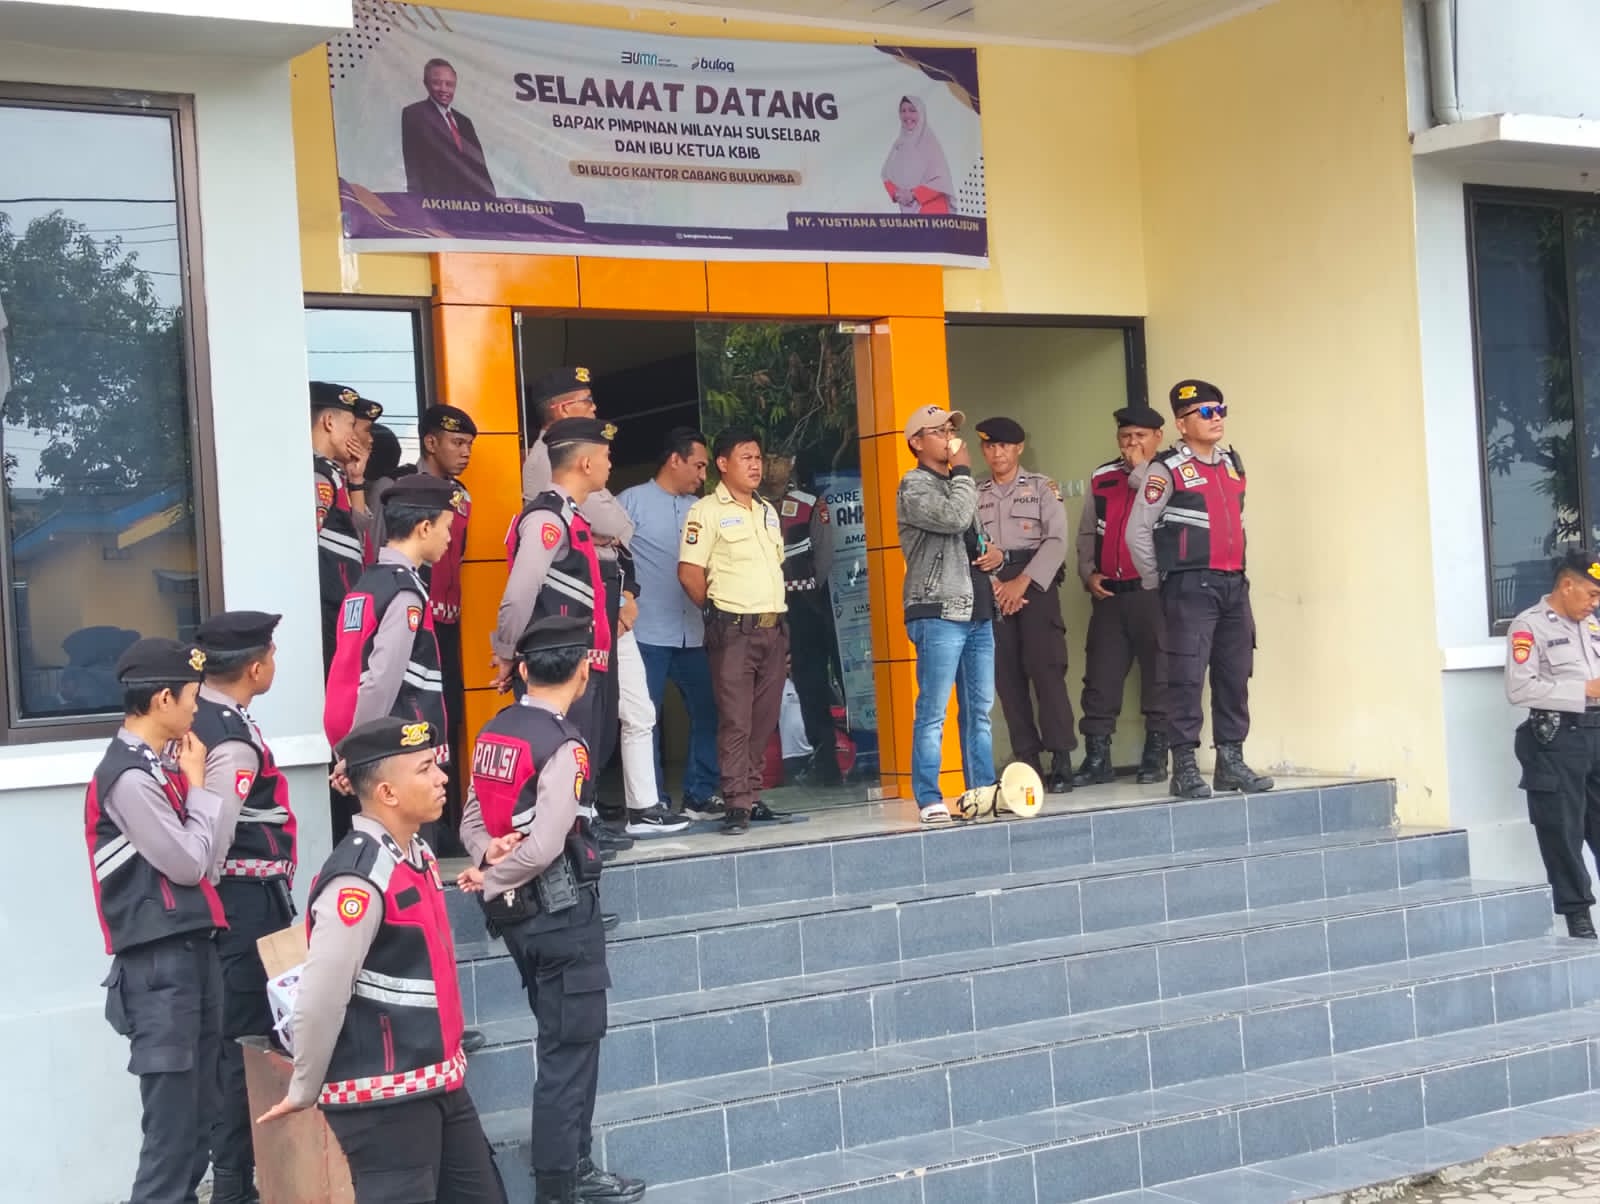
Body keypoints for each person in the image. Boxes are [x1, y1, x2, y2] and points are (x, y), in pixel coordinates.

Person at [255, 718, 506, 1203]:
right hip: (384, 1097)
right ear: (388, 792)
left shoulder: (415, 854)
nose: (442, 778)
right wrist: (304, 1086)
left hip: (436, 1080)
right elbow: (321, 995)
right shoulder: (359, 879)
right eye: (425, 769)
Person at [461, 614, 647, 1204]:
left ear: (522, 671)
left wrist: (486, 855)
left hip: (520, 919)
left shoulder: (495, 731)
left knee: (561, 1039)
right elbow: (545, 846)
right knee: (569, 1052)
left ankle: (572, 1168)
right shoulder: (565, 745)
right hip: (560, 913)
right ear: (585, 670)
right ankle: (562, 1183)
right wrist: (491, 874)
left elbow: (471, 817)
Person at [84, 637, 227, 1204]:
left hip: (190, 955)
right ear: (163, 699)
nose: (198, 708)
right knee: (171, 1140)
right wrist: (199, 785)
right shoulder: (129, 777)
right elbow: (190, 863)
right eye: (192, 696)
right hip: (160, 966)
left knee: (198, 1125)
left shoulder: (158, 768)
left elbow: (204, 860)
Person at [522, 370, 658, 845]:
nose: (595, 409)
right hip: (577, 600)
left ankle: (600, 813)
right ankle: (579, 820)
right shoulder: (546, 459)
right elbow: (606, 521)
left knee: (611, 711)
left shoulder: (578, 456)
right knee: (581, 713)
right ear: (562, 408)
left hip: (608, 589)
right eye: (586, 401)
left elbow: (617, 525)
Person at [191, 611, 296, 1204]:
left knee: (236, 1040)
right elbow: (214, 836)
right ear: (255, 668)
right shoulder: (230, 738)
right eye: (273, 655)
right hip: (241, 907)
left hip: (238, 905)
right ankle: (234, 1185)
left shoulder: (199, 715)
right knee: (244, 1044)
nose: (275, 663)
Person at [1127, 380, 1273, 799]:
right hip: (1190, 585)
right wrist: (1157, 581)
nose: (1216, 418)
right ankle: (1185, 767)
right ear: (1181, 423)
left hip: (1233, 584)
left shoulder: (1231, 463)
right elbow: (1138, 531)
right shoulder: (1166, 468)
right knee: (1186, 677)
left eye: (1220, 410)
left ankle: (1230, 762)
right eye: (1206, 412)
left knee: (1234, 674)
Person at [324, 472, 458, 813]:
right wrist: (357, 753)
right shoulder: (404, 593)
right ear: (424, 528)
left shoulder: (366, 583)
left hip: (354, 734)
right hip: (395, 743)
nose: (449, 538)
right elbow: (381, 679)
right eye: (446, 527)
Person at [678, 426, 789, 835]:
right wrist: (715, 613)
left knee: (765, 718)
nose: (756, 465)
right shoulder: (705, 511)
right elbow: (689, 572)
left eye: (758, 457)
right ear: (723, 464)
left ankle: (752, 795)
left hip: (773, 628)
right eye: (746, 458)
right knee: (736, 720)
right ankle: (736, 802)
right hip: (734, 630)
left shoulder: (767, 510)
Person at [619, 428, 726, 820]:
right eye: (698, 465)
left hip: (694, 633)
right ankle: (653, 800)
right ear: (674, 460)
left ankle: (699, 794)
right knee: (644, 720)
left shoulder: (702, 509)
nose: (703, 475)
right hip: (645, 633)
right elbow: (611, 560)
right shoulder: (630, 502)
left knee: (710, 712)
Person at [896, 404, 996, 824]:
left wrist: (995, 554)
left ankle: (982, 792)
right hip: (937, 608)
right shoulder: (914, 485)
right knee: (933, 711)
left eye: (951, 430)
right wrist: (964, 472)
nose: (950, 437)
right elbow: (954, 518)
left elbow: (972, 536)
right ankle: (928, 797)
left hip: (977, 608)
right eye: (939, 431)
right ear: (917, 443)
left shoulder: (958, 484)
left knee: (979, 711)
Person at [973, 416, 1076, 793]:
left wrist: (1021, 582)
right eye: (989, 446)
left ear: (1018, 448)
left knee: (1047, 670)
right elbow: (971, 545)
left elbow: (1056, 541)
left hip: (1036, 582)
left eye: (1004, 445)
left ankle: (1061, 758)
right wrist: (998, 586)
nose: (996, 453)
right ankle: (1028, 760)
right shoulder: (974, 493)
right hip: (994, 586)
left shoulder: (1042, 487)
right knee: (1007, 677)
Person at [1073, 405, 1171, 786]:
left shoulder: (1168, 474)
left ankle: (1155, 756)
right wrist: (1087, 573)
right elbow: (1087, 531)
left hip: (1153, 593)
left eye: (1140, 437)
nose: (1131, 444)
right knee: (1101, 675)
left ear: (1158, 437)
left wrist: (1141, 470)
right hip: (1110, 595)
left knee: (1160, 673)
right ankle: (1097, 758)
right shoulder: (1103, 476)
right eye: (1125, 437)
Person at [1505, 550, 1600, 939]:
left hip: (1596, 734)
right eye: (1592, 594)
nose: (1595, 603)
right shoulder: (1529, 626)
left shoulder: (1591, 625)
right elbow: (1519, 689)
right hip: (1558, 739)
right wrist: (1583, 690)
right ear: (1567, 585)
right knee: (1562, 830)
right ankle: (1578, 915)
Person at [762, 450, 844, 787]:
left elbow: (823, 559)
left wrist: (805, 592)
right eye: (766, 459)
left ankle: (827, 761)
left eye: (778, 459)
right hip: (762, 606)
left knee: (812, 682)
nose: (771, 466)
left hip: (806, 605)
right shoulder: (750, 507)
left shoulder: (809, 504)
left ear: (792, 464)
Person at [311, 381, 383, 673]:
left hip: (340, 602)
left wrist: (356, 480)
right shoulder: (318, 473)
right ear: (329, 422)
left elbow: (358, 530)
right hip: (326, 605)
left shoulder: (335, 473)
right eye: (351, 425)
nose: (357, 436)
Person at [402, 57, 496, 199]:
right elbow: (413, 165)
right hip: (436, 201)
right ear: (426, 83)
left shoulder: (465, 122)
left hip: (471, 203)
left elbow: (480, 167)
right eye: (437, 83)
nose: (444, 89)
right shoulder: (415, 114)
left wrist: (492, 201)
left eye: (449, 84)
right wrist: (417, 203)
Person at [881, 95, 954, 215]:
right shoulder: (899, 144)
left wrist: (914, 194)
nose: (907, 115)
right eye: (903, 111)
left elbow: (942, 180)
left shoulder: (929, 142)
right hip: (908, 211)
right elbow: (886, 174)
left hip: (934, 209)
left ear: (921, 113)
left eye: (912, 110)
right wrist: (896, 193)